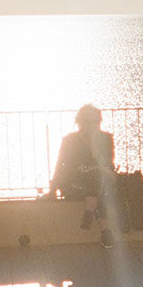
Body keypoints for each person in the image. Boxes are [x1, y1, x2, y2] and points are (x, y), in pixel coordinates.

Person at [51, 104, 117, 248]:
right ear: (80, 122)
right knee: (98, 187)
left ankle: (90, 211)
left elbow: (109, 164)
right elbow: (60, 164)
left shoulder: (105, 138)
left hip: (97, 182)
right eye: (89, 122)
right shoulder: (69, 140)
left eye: (96, 122)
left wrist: (95, 149)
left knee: (95, 179)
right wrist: (53, 189)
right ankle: (104, 230)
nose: (93, 125)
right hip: (74, 183)